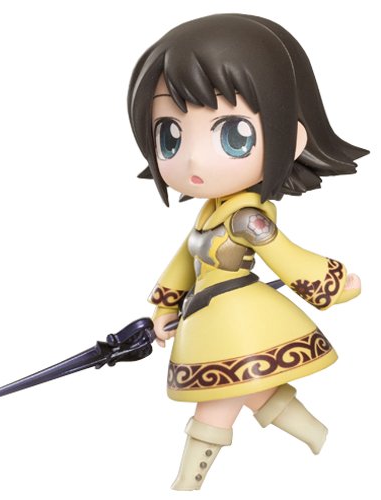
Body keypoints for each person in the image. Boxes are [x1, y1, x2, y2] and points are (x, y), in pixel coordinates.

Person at [127, 14, 367, 490]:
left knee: (217, 400)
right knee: (256, 391)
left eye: (232, 135)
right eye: (171, 135)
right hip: (210, 319)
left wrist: (333, 282)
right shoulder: (209, 213)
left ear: (291, 137)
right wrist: (164, 306)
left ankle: (187, 484)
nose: (193, 159)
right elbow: (184, 261)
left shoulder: (246, 220)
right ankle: (324, 440)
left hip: (239, 320)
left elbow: (285, 254)